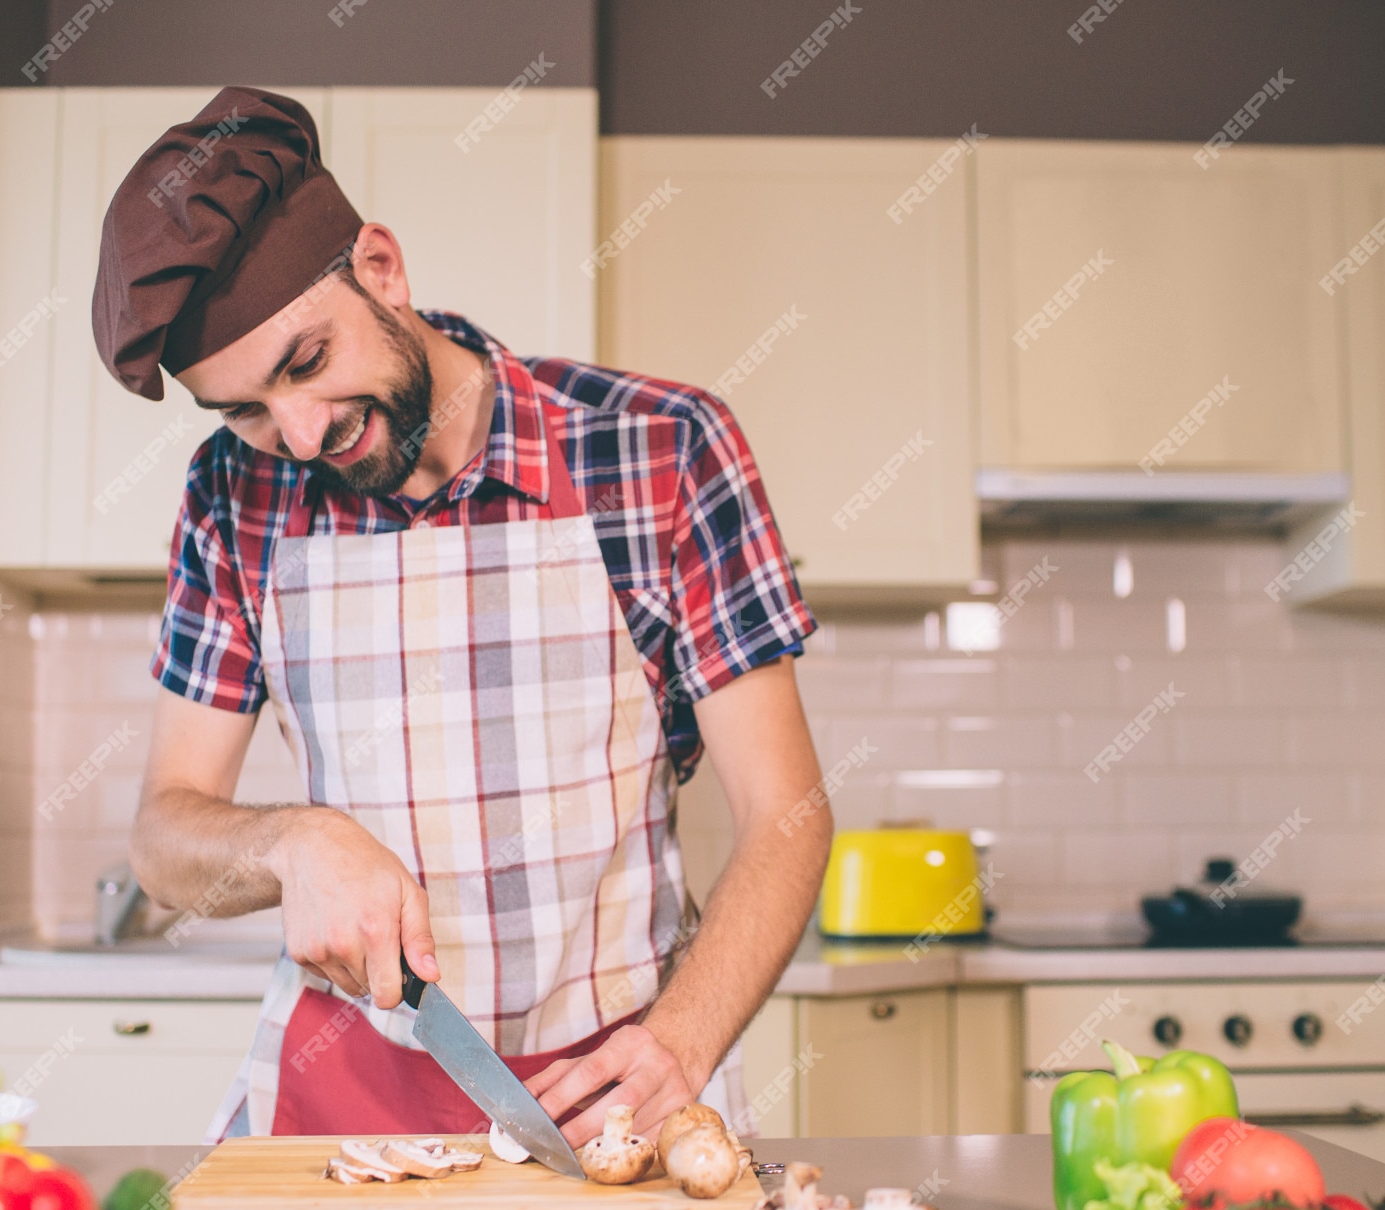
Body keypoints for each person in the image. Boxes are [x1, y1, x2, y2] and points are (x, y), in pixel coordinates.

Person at [90, 87, 831, 1145]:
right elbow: (164, 836)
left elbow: (786, 813)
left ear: (382, 270)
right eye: (245, 410)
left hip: (616, 1089)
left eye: (305, 362)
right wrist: (294, 841)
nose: (298, 436)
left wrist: (681, 1038)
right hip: (338, 1099)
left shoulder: (657, 448)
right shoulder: (231, 494)